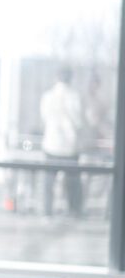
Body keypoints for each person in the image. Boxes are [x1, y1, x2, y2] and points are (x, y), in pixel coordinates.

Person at [40, 67, 85, 217]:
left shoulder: (48, 96)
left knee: (48, 182)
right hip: (69, 147)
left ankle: (47, 212)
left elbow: (44, 117)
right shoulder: (75, 97)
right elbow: (79, 122)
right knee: (73, 182)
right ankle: (74, 211)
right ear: (70, 78)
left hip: (51, 144)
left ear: (56, 78)